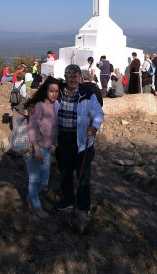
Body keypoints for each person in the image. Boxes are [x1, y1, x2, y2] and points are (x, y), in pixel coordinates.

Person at [55, 64, 104, 213]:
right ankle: (67, 200)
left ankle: (83, 206)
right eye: (69, 77)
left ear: (80, 78)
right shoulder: (58, 92)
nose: (72, 79)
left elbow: (98, 113)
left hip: (81, 141)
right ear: (65, 77)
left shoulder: (87, 93)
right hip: (62, 139)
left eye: (75, 77)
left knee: (83, 175)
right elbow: (42, 103)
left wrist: (94, 127)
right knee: (65, 173)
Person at [24, 77, 60, 219]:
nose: (54, 94)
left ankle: (30, 198)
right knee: (34, 180)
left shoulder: (56, 105)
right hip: (37, 148)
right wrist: (36, 148)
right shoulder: (39, 106)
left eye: (56, 91)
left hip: (47, 148)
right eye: (51, 91)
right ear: (45, 91)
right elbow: (32, 126)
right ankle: (37, 207)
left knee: (43, 182)